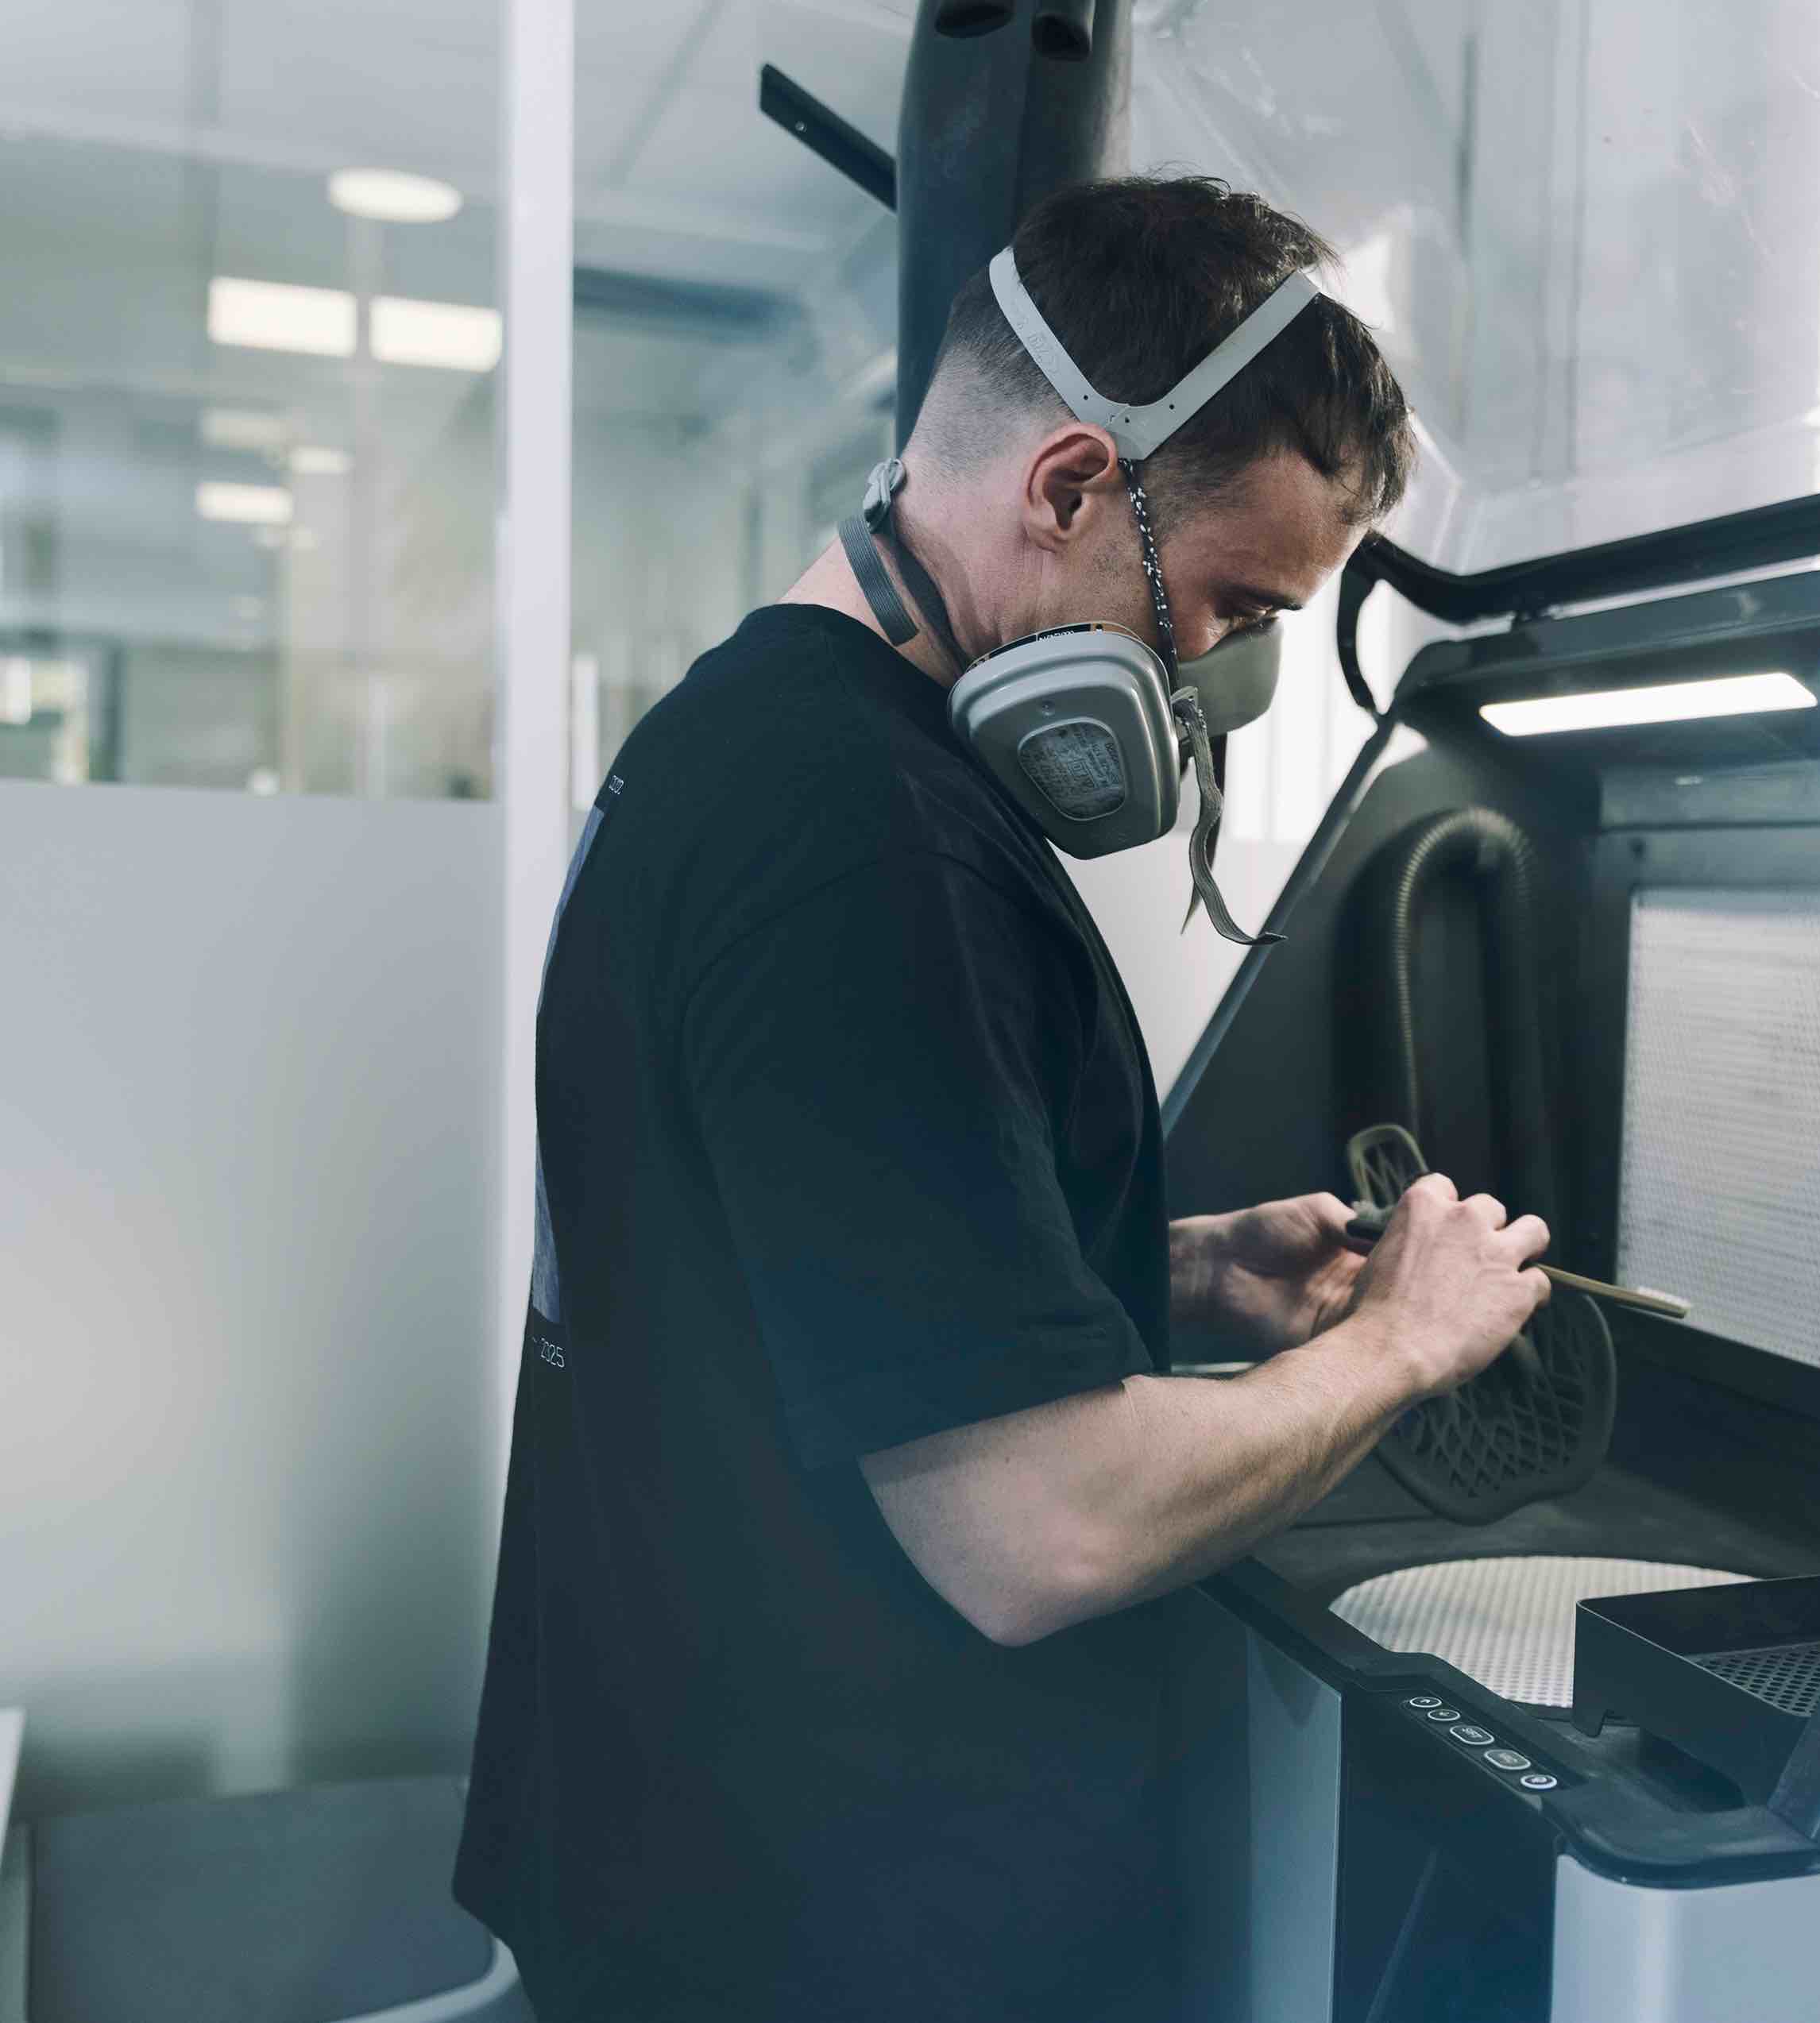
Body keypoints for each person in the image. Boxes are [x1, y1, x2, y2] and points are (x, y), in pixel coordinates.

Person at [454, 175, 1550, 2023]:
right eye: (1220, 605)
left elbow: (783, 1251)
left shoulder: (742, 738)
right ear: (1064, 487)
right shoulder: (868, 846)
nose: (1205, 680)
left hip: (691, 1851)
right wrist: (1398, 1348)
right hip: (832, 1926)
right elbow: (1038, 1532)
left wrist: (1177, 1267)